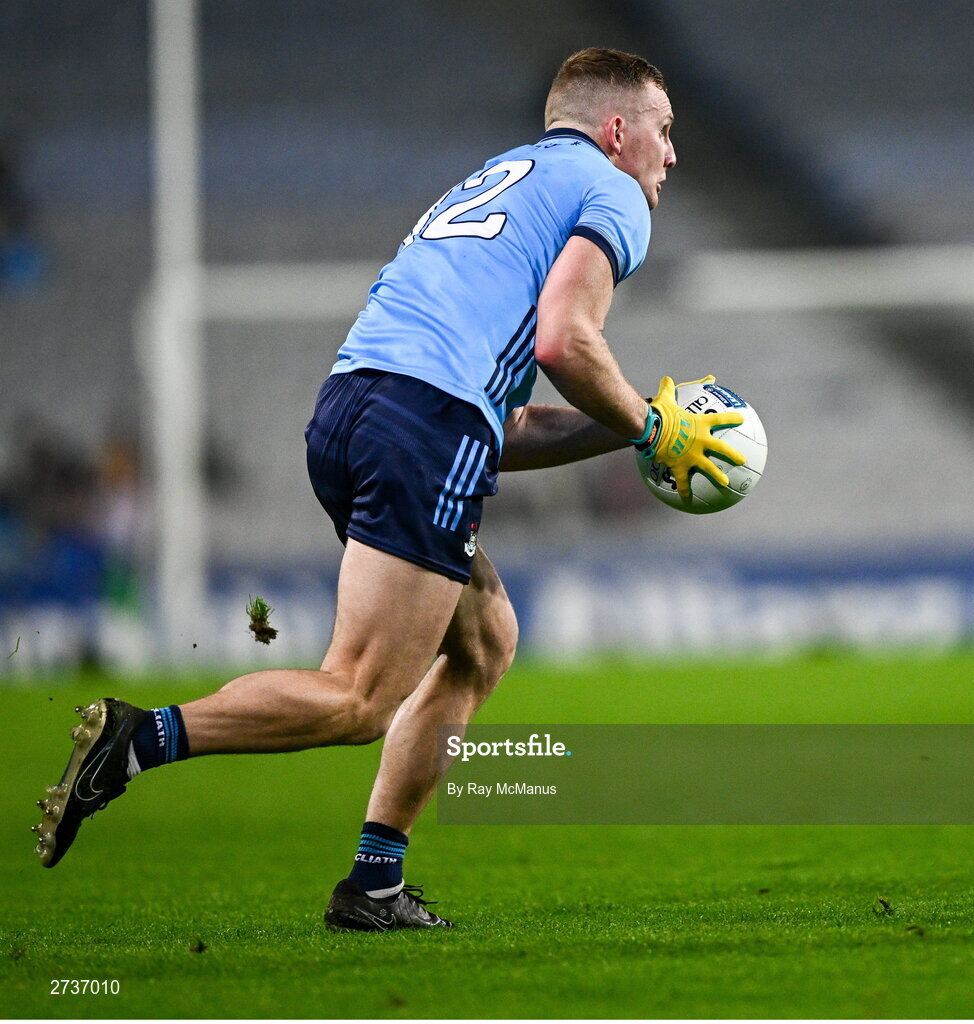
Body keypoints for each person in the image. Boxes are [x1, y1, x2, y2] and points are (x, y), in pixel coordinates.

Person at [32, 48, 744, 930]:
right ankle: (137, 743)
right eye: (664, 132)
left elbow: (498, 426)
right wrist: (650, 427)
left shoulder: (497, 181)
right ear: (615, 131)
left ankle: (373, 886)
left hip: (353, 410)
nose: (670, 155)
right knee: (361, 697)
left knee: (484, 641)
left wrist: (628, 425)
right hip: (422, 423)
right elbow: (563, 341)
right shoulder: (615, 193)